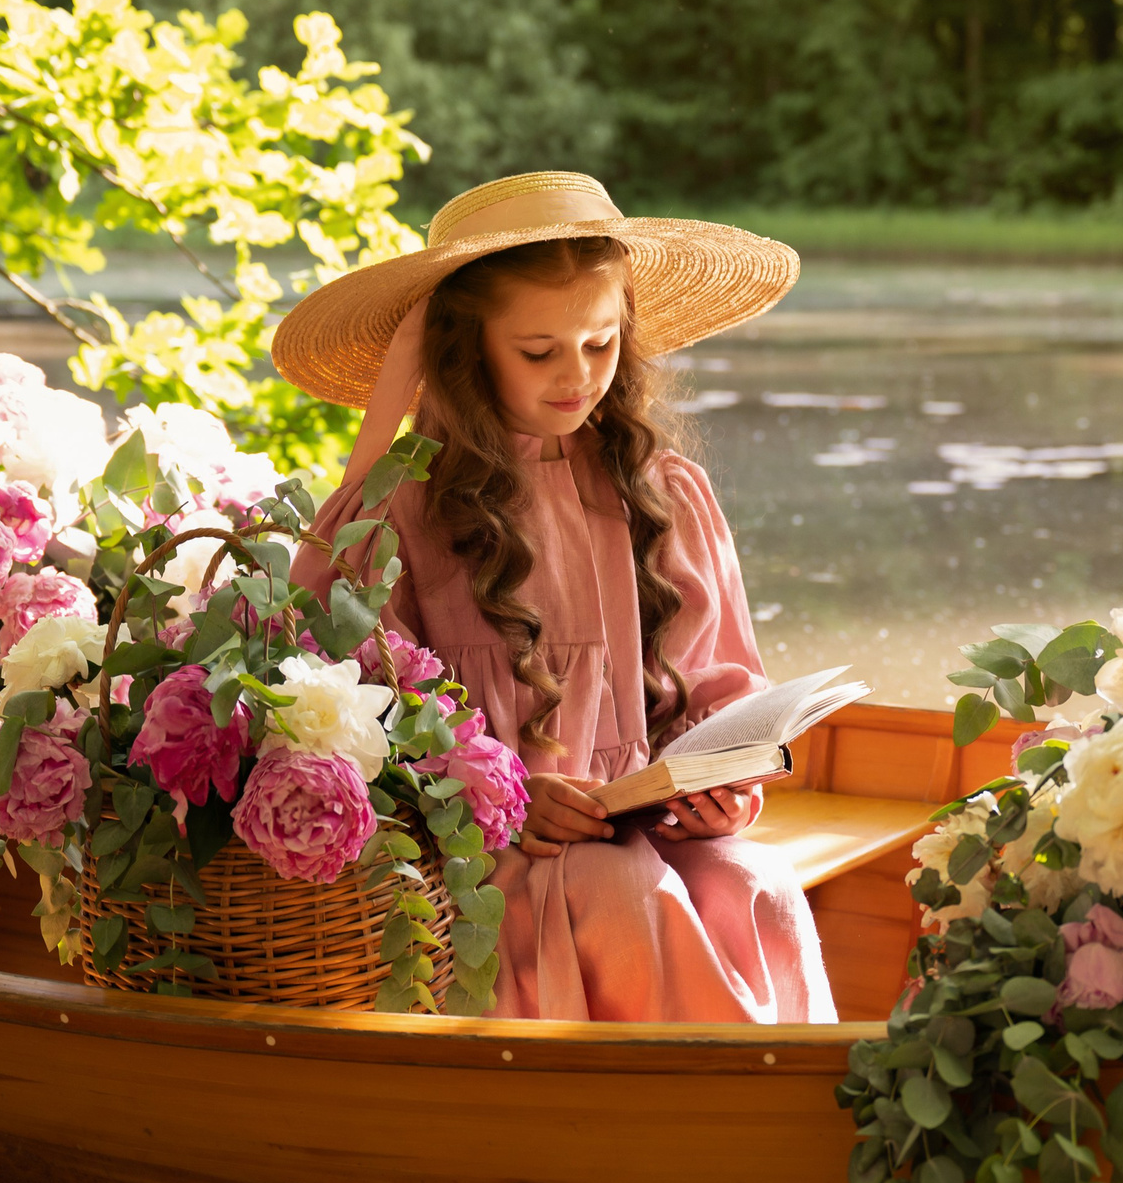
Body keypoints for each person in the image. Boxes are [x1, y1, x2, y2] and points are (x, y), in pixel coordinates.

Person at [279, 171, 836, 1023]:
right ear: (468, 353)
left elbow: (721, 688)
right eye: (539, 352)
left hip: (651, 826)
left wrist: (721, 787)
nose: (577, 376)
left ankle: (776, 1114)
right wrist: (498, 795)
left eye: (601, 343)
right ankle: (663, 1133)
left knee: (758, 883)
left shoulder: (661, 489)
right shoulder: (404, 511)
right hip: (498, 850)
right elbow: (348, 702)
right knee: (622, 893)